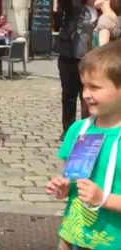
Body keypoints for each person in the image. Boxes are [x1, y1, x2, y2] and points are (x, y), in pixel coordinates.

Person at [46, 41, 121, 250]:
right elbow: (73, 179)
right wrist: (64, 188)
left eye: (95, 87)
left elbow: (98, 196)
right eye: (84, 86)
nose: (86, 94)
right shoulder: (78, 130)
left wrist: (103, 199)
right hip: (75, 236)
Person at [54, 0, 96, 141]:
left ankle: (88, 129)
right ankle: (68, 130)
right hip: (70, 57)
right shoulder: (74, 7)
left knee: (88, 96)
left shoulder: (102, 10)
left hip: (91, 60)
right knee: (69, 96)